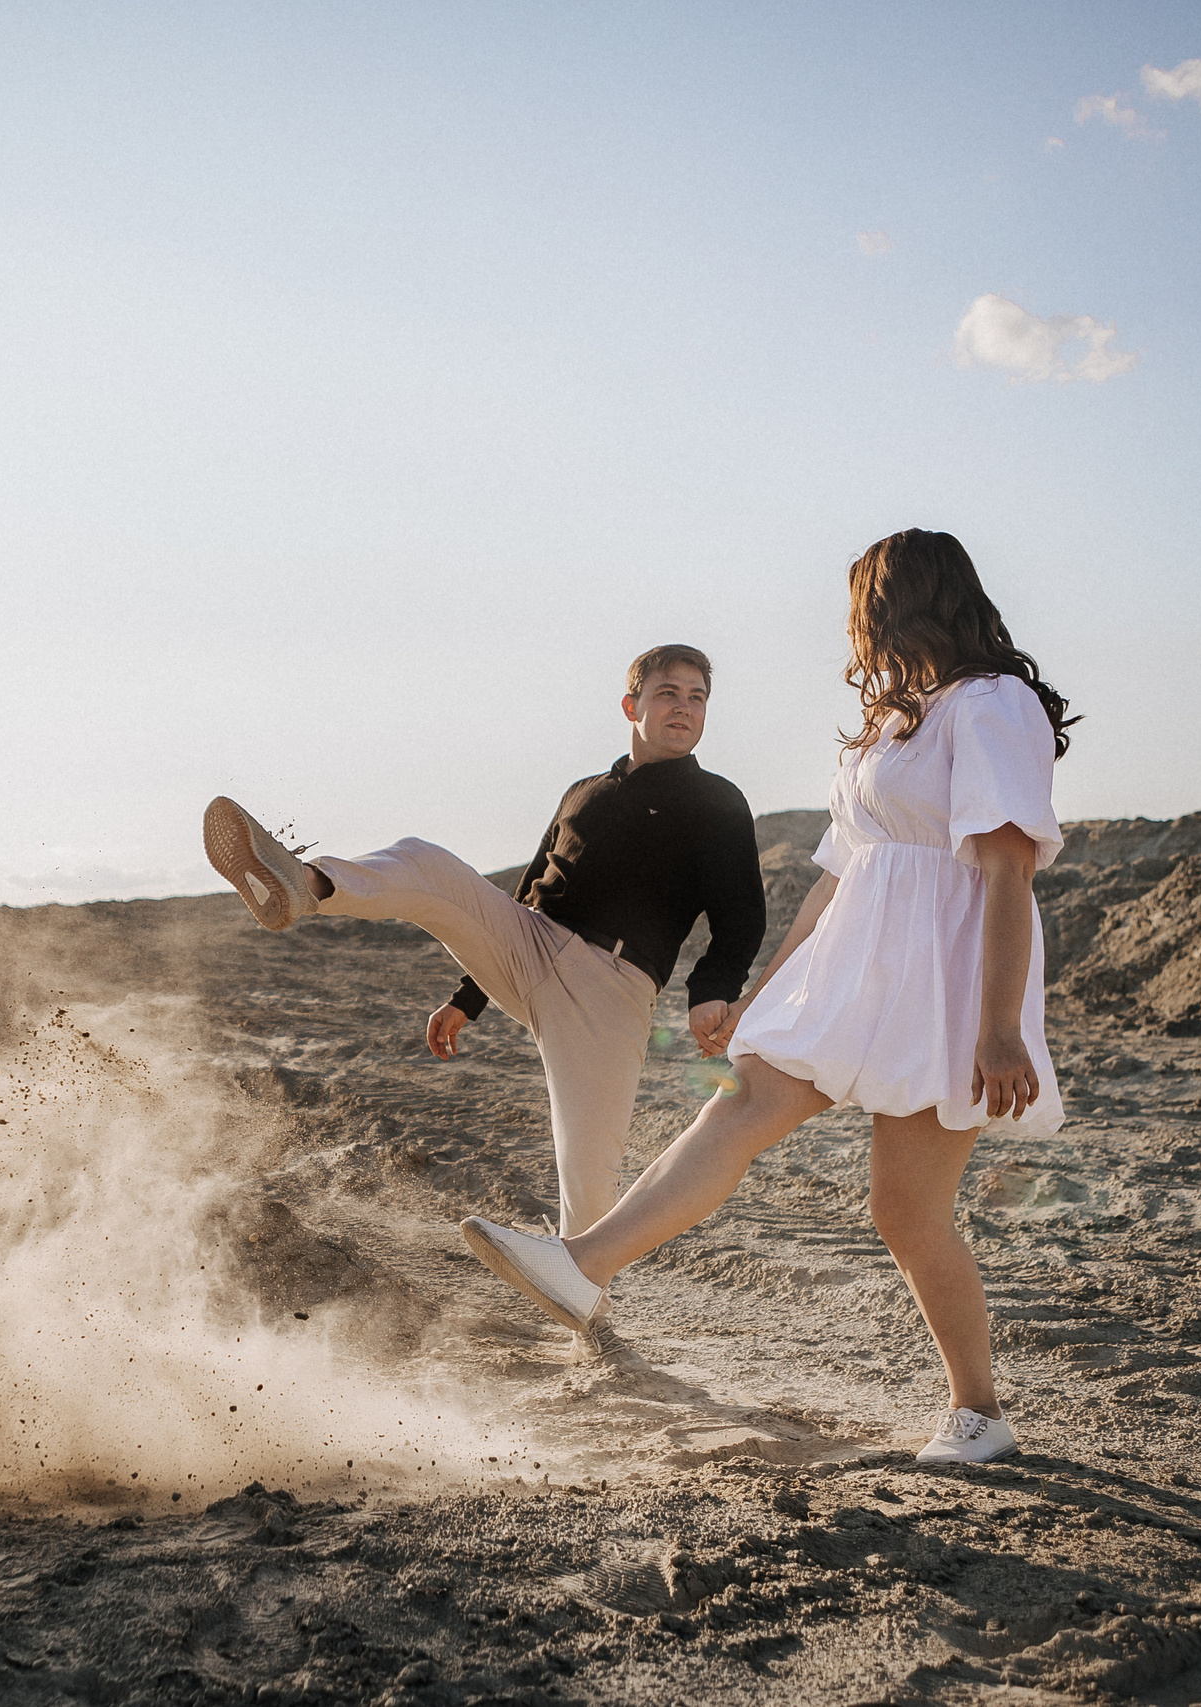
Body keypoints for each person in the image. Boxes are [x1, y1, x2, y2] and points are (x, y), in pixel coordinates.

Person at [458, 530, 1076, 1464]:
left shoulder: (993, 706)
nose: (852, 631)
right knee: (744, 1095)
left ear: (899, 604)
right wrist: (766, 993)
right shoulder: (891, 723)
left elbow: (1005, 869)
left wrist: (997, 1025)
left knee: (905, 1211)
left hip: (945, 979)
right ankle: (582, 1267)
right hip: (855, 966)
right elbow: (836, 879)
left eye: (860, 607)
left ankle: (979, 1412)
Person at [204, 644, 766, 1247]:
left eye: (697, 697)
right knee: (426, 862)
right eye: (668, 694)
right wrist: (468, 996)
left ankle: (586, 1311)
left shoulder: (718, 802)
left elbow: (743, 913)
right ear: (632, 705)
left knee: (591, 1178)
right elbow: (526, 888)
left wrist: (713, 992)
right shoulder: (584, 791)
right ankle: (306, 884)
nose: (684, 707)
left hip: (611, 986)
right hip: (527, 942)